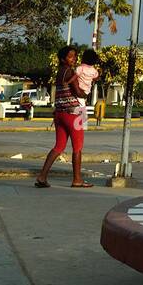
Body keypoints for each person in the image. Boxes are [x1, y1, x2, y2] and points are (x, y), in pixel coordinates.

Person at [35, 46, 100, 188]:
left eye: (75, 56)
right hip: (76, 112)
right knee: (77, 147)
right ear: (63, 58)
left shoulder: (60, 72)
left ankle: (42, 176)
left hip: (59, 112)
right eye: (71, 57)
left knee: (59, 146)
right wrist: (86, 93)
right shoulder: (70, 72)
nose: (74, 59)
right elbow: (78, 91)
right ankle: (77, 179)